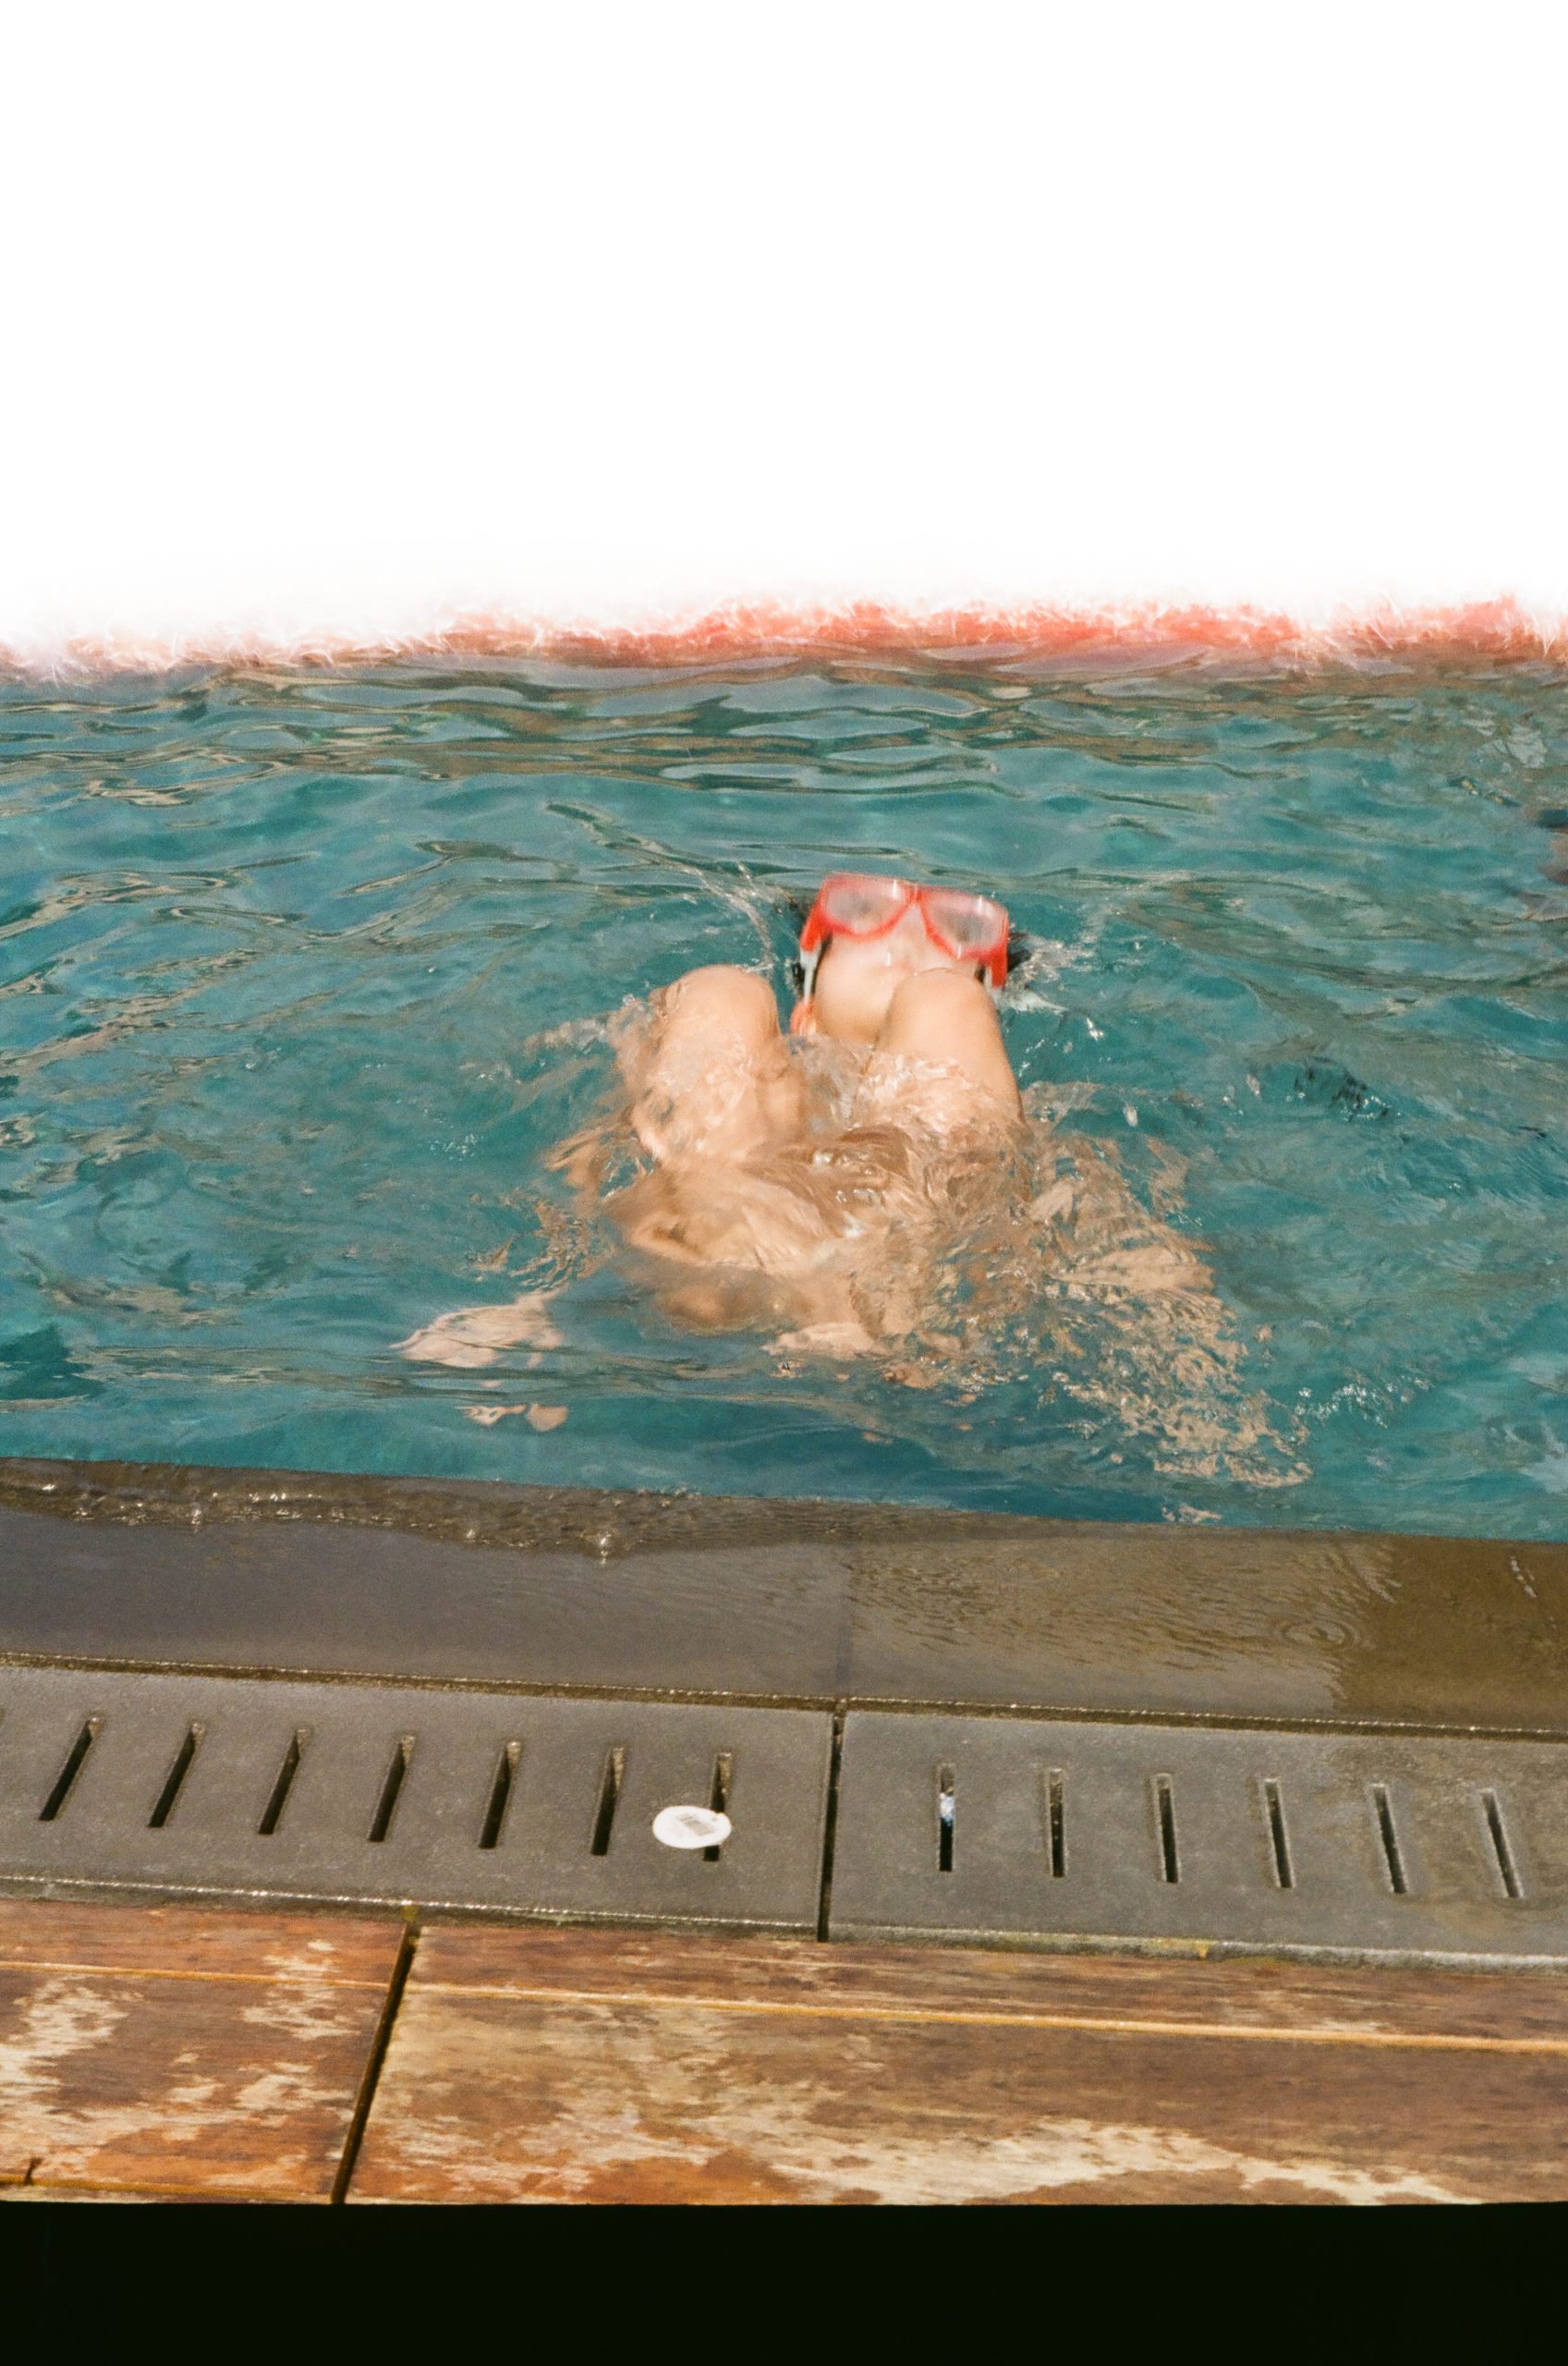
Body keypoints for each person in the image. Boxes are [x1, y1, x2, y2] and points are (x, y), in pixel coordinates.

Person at [579, 874, 1024, 1353]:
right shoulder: (765, 1080)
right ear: (806, 1012)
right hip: (702, 1254)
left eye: (960, 931)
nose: (910, 938)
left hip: (899, 1299)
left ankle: (861, 1297)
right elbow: (602, 1151)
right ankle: (734, 1247)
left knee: (945, 1002)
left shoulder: (999, 1106)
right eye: (865, 914)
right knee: (722, 992)